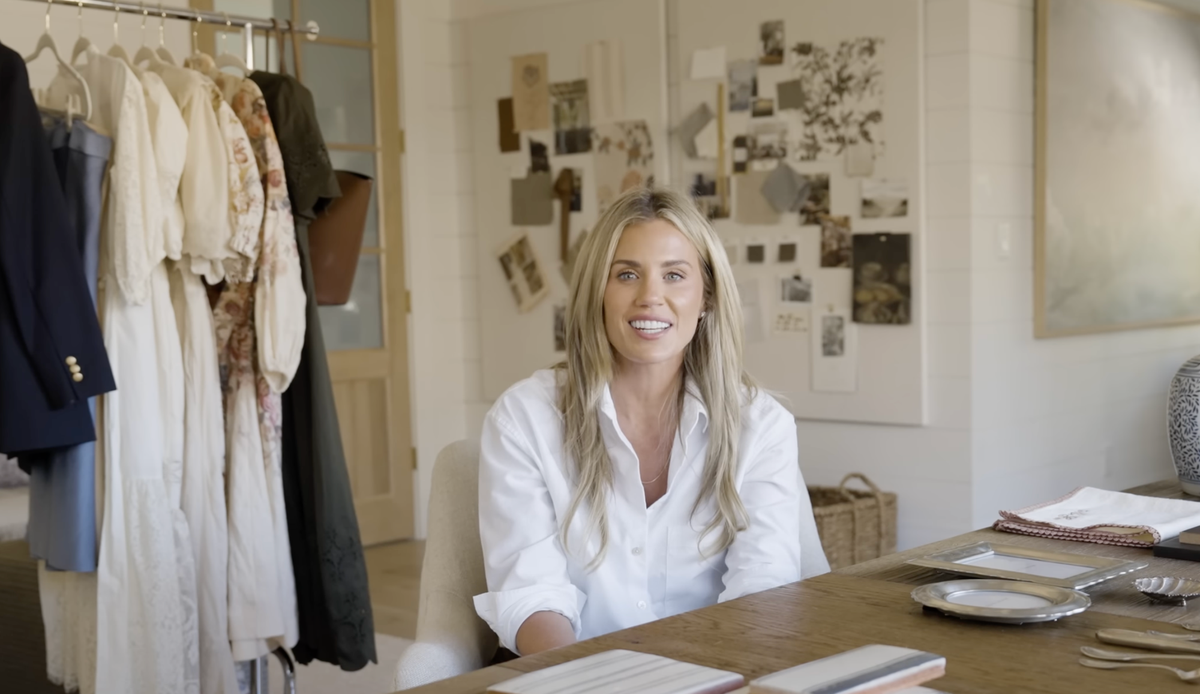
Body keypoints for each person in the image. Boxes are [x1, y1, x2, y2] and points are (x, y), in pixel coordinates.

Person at [473, 187, 829, 658]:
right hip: (570, 677)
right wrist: (587, 684)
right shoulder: (524, 419)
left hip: (717, 674)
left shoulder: (761, 426)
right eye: (626, 274)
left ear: (706, 298)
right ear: (597, 293)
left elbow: (762, 592)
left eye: (675, 275)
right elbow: (532, 596)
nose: (650, 298)